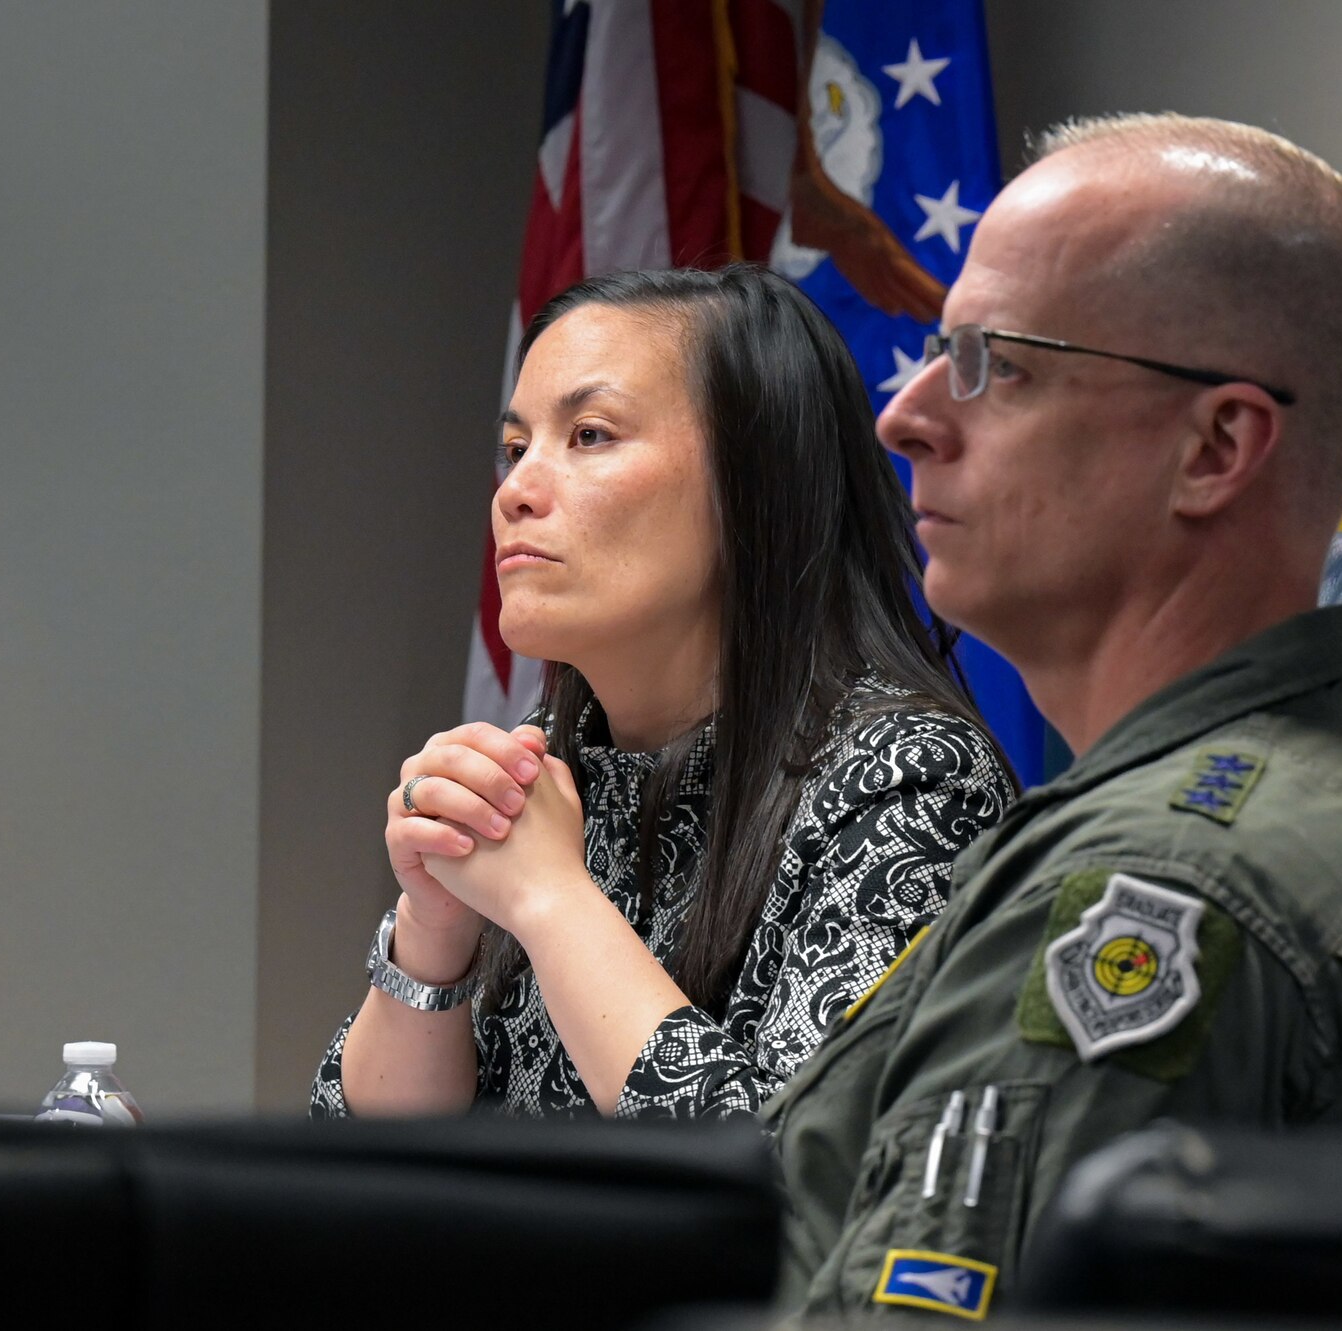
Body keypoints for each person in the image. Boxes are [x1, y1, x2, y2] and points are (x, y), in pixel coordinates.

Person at [765, 114, 1342, 1318]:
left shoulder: (1159, 885)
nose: (904, 415)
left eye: (997, 362)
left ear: (1214, 448)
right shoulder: (1152, 819)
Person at [310, 265, 1014, 1121]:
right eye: (514, 448)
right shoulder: (550, 760)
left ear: (753, 484)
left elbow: (802, 1186)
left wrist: (550, 900)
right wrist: (433, 936)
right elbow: (367, 1182)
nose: (517, 491)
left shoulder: (913, 779)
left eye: (592, 435)